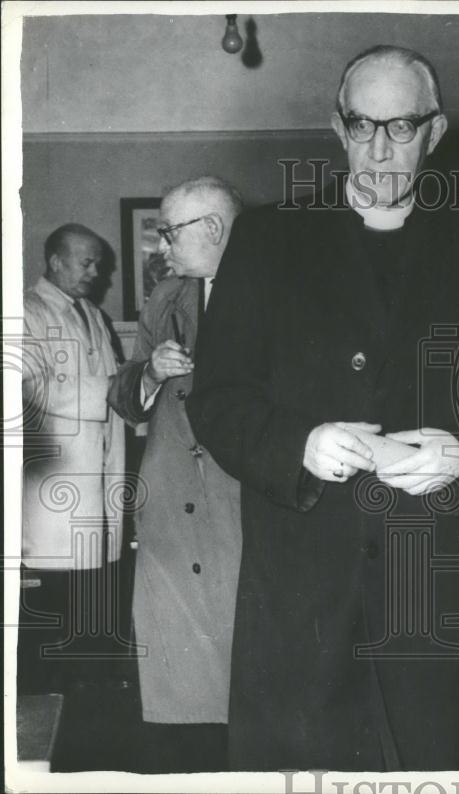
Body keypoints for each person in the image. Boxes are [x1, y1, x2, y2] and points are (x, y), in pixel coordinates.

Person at [186, 45, 459, 771]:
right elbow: (218, 398)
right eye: (361, 125)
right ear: (337, 127)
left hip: (430, 592)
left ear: (434, 133)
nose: (378, 148)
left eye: (401, 128)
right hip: (300, 598)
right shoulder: (266, 239)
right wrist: (297, 445)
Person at [107, 176, 243, 772]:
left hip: (240, 497)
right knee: (181, 681)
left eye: (170, 231)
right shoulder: (165, 298)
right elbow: (123, 393)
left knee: (247, 655)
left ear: (212, 229)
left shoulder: (279, 290)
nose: (162, 244)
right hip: (171, 505)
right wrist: (152, 373)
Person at [20, 223, 126, 692]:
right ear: (55, 261)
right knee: (54, 624)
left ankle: (92, 718)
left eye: (98, 263)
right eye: (86, 262)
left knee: (93, 613)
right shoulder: (26, 311)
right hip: (52, 494)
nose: (96, 272)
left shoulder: (93, 315)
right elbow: (28, 390)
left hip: (98, 489)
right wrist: (119, 389)